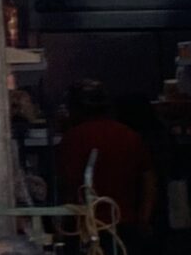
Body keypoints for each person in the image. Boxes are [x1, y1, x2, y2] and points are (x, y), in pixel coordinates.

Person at [58, 83, 157, 229]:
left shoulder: (73, 138)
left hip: (87, 224)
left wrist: (62, 225)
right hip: (126, 222)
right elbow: (148, 179)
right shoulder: (129, 135)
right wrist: (144, 218)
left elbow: (68, 185)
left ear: (76, 108)